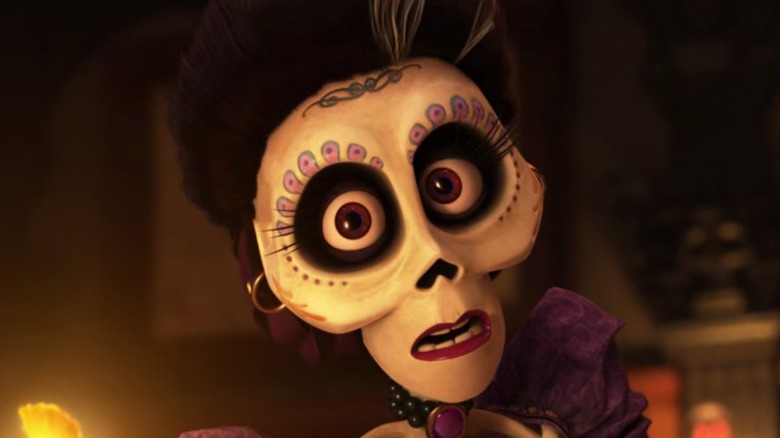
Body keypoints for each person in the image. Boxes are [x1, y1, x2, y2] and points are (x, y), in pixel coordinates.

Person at [169, 0, 651, 437]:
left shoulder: (575, 414)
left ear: (526, 178)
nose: (435, 256)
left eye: (447, 185)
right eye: (352, 222)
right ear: (274, 281)